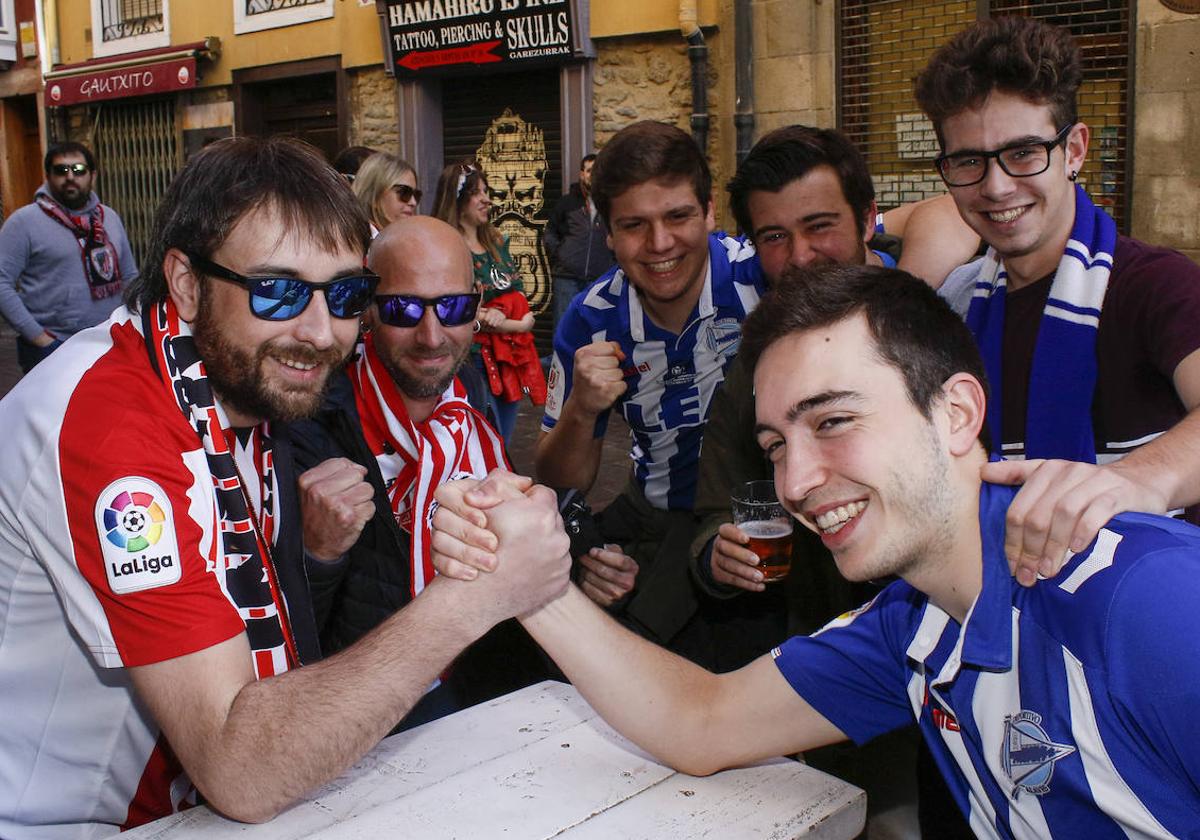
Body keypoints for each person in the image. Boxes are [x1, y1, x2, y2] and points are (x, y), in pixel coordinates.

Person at [436, 264, 1200, 837]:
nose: (796, 481)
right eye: (774, 444)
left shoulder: (1145, 598)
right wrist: (531, 582)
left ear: (959, 412)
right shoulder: (913, 619)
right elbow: (703, 720)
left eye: (833, 421)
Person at [0, 136, 568, 838]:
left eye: (345, 294)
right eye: (277, 290)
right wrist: (473, 598)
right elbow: (241, 769)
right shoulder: (113, 423)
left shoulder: (236, 384)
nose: (321, 332)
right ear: (184, 283)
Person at [914, 16, 1200, 586]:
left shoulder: (1155, 285)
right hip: (1005, 607)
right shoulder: (957, 306)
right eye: (969, 161)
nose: (996, 187)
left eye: (1023, 153)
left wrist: (1139, 480)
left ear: (1074, 149)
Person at [290, 216, 552, 726]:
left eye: (452, 307)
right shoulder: (308, 424)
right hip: (372, 715)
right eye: (404, 309)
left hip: (482, 689)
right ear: (367, 308)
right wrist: (316, 555)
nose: (432, 337)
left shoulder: (468, 394)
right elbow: (286, 640)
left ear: (477, 303)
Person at [535, 121, 766, 653]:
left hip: (768, 519)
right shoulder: (588, 318)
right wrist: (580, 410)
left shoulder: (761, 275)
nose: (660, 244)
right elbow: (557, 480)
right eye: (634, 225)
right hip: (657, 516)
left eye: (679, 216)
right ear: (608, 233)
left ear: (709, 211)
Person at [0, 140, 139, 372]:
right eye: (61, 170)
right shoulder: (24, 222)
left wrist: (134, 325)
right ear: (48, 175)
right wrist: (39, 337)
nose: (70, 177)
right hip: (51, 347)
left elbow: (130, 276)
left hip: (108, 341)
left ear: (92, 175)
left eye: (79, 170)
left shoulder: (109, 218)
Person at [432, 159, 544, 445]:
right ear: (457, 199)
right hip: (474, 361)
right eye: (476, 193)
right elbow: (450, 308)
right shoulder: (447, 248)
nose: (486, 200)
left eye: (486, 192)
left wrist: (518, 320)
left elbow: (517, 289)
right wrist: (496, 320)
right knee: (483, 439)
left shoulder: (495, 241)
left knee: (502, 439)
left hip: (510, 355)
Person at [544, 153, 615, 327]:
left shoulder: (610, 205)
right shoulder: (567, 203)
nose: (594, 175)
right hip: (567, 280)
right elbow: (550, 233)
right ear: (582, 174)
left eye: (597, 171)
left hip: (599, 280)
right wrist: (562, 257)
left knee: (597, 332)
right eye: (590, 170)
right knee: (565, 330)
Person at [352, 151, 422, 236]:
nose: (413, 202)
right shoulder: (354, 242)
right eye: (404, 192)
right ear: (375, 195)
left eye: (416, 194)